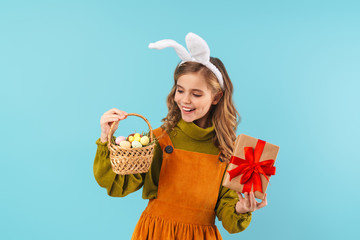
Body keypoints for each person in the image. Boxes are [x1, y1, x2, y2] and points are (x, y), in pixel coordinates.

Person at [93, 33, 267, 240]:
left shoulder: (232, 151)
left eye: (196, 94)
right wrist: (106, 138)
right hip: (156, 234)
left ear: (216, 97)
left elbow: (230, 219)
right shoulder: (158, 140)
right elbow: (117, 186)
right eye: (180, 90)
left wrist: (241, 208)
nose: (184, 100)